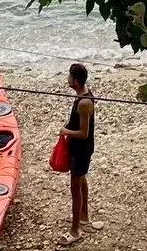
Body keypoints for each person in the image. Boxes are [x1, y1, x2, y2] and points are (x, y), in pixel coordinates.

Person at [59, 62, 95, 244]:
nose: (68, 79)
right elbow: (77, 122)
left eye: (69, 76)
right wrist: (68, 125)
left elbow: (84, 133)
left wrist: (66, 131)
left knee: (75, 190)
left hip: (82, 150)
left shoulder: (84, 103)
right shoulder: (82, 95)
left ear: (75, 80)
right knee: (82, 181)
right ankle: (84, 216)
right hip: (79, 149)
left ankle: (75, 230)